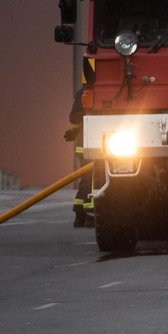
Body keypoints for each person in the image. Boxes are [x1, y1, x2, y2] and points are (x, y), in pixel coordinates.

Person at [66, 86, 93, 228]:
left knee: (88, 179)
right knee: (92, 179)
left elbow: (75, 119)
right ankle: (89, 215)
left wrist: (75, 130)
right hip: (91, 145)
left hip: (86, 144)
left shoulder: (82, 92)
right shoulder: (85, 92)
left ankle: (80, 215)